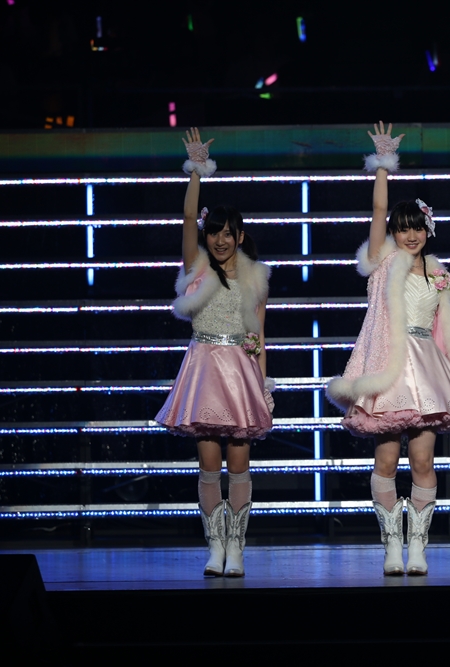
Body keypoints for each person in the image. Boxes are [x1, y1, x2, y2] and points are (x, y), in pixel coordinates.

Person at [327, 122, 450, 576]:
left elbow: (444, 333)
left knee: (423, 459)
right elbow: (378, 209)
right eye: (402, 228)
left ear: (428, 230)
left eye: (417, 228)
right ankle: (391, 544)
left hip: (427, 373)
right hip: (390, 370)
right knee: (387, 458)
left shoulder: (439, 274)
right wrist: (382, 165)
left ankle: (418, 547)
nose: (410, 235)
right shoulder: (384, 263)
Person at [155, 128, 273, 577]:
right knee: (208, 463)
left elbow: (260, 337)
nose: (220, 240)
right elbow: (188, 219)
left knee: (238, 463)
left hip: (240, 374)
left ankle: (236, 548)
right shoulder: (197, 268)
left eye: (228, 233)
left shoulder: (255, 279)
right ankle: (215, 546)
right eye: (214, 233)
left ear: (240, 236)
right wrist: (196, 172)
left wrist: (264, 387)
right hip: (204, 370)